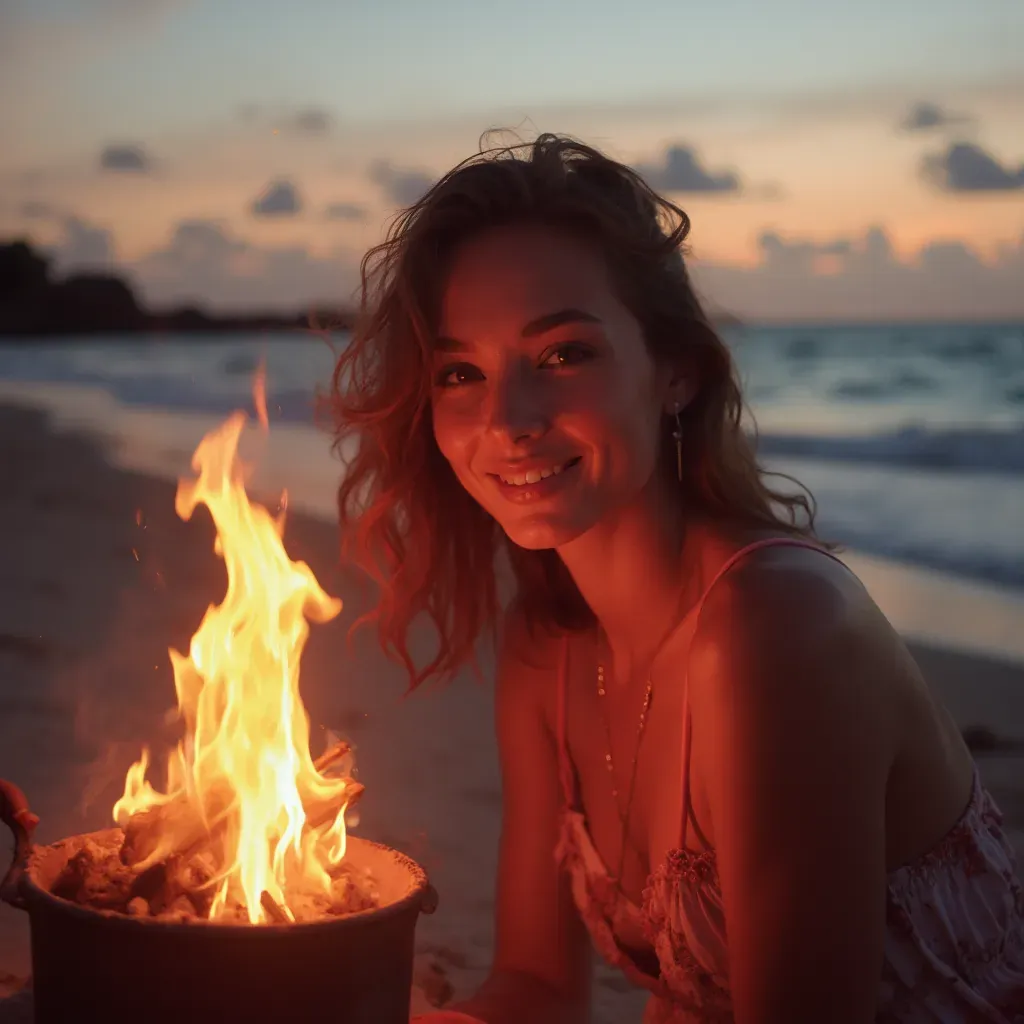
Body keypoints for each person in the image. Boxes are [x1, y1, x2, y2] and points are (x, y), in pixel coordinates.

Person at [328, 134, 1024, 1023]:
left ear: (677, 374)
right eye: (461, 373)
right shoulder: (551, 647)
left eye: (564, 355)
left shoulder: (774, 626)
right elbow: (537, 989)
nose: (506, 421)